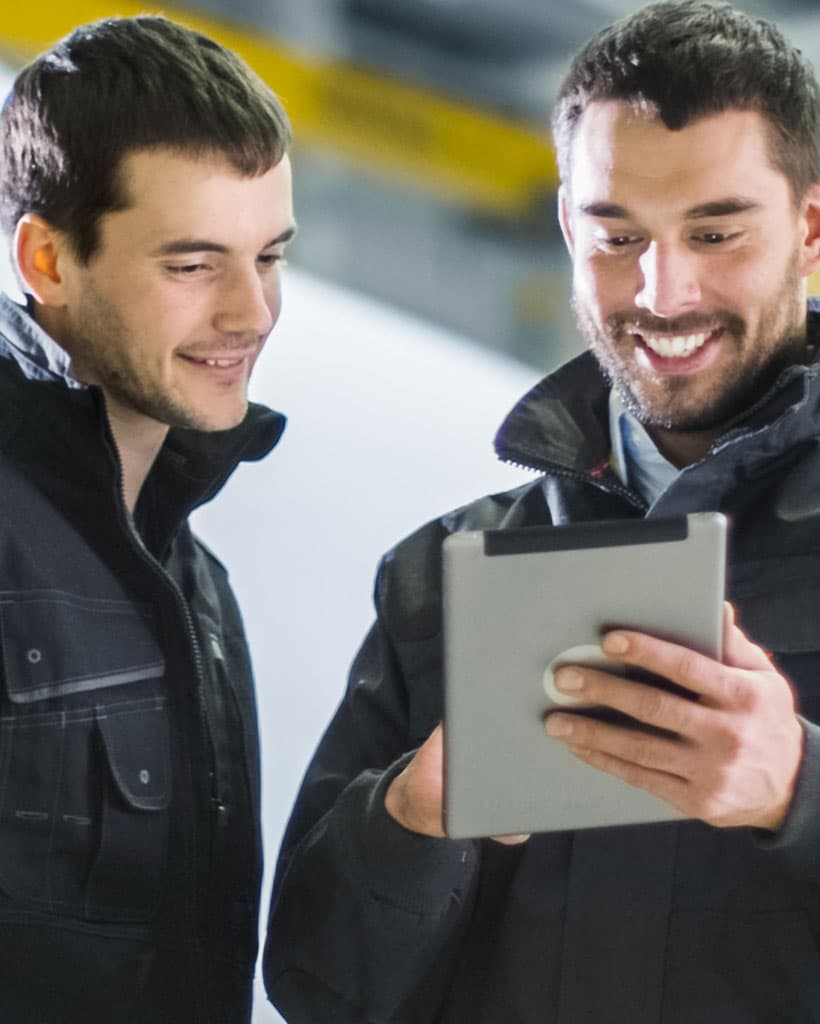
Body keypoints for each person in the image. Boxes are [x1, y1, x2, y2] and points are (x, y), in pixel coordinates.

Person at [264, 1, 820, 1020]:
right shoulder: (441, 576)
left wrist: (799, 790)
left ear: (810, 230)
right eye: (617, 234)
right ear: (569, 227)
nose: (662, 290)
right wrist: (415, 817)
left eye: (716, 230)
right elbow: (315, 988)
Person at [0, 16, 294, 1023]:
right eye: (193, 264)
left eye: (270, 257)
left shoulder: (199, 590)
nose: (250, 312)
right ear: (48, 259)